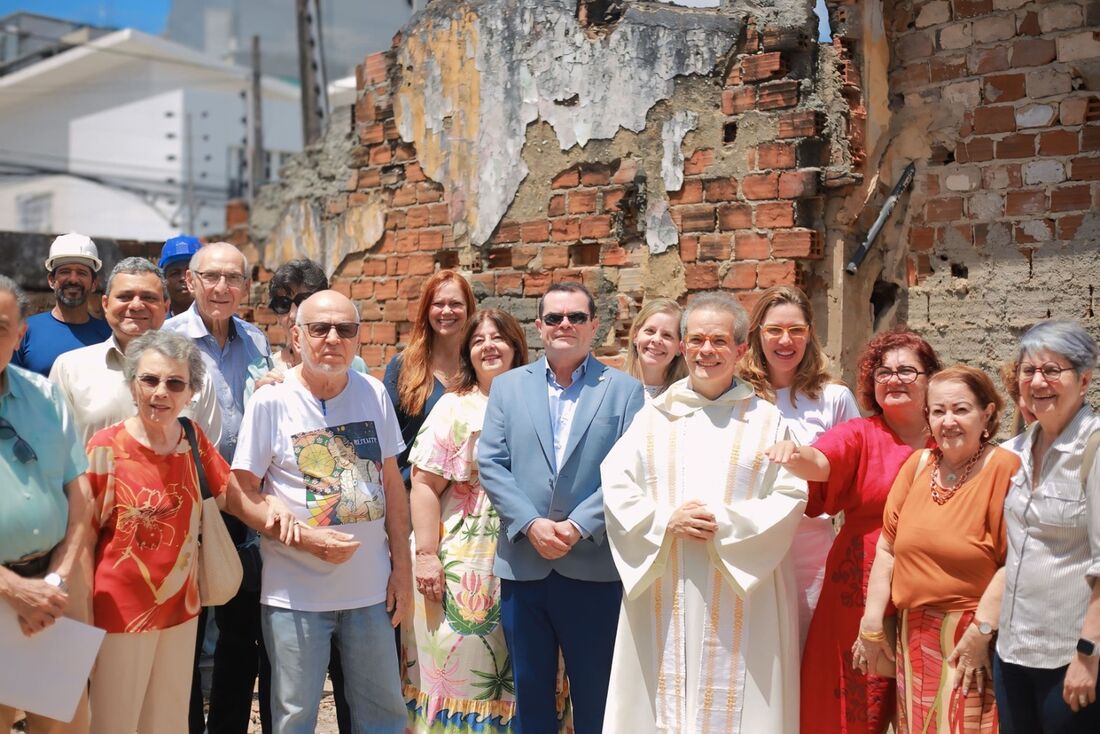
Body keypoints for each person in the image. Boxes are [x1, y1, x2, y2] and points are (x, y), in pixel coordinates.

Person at [600, 291, 807, 732]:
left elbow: (790, 495)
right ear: (682, 346)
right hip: (666, 578)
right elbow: (616, 483)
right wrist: (663, 521)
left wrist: (724, 525)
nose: (705, 351)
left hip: (741, 586)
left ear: (740, 349)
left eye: (718, 341)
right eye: (695, 340)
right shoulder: (654, 417)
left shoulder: (766, 420)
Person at [226, 290, 412, 734]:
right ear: (296, 335)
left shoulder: (373, 392)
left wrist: (401, 569)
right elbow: (238, 493)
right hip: (295, 596)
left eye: (345, 329)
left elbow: (391, 486)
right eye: (319, 328)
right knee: (294, 718)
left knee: (384, 714)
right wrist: (306, 540)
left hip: (370, 592)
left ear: (358, 338)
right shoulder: (271, 401)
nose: (333, 338)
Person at [479, 282, 645, 733]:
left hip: (592, 566)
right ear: (539, 327)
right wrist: (531, 523)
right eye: (554, 318)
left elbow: (630, 469)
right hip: (524, 565)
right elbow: (491, 462)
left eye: (575, 317)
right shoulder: (508, 388)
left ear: (594, 325)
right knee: (530, 699)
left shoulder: (626, 391)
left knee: (596, 699)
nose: (564, 325)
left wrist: (577, 525)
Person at [767, 326, 942, 734]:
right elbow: (822, 461)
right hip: (858, 588)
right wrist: (796, 455)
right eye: (883, 372)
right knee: (852, 705)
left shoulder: (948, 435)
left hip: (931, 590)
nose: (893, 378)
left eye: (906, 371)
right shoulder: (861, 433)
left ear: (930, 377)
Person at [855, 366, 1019, 733]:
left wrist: (981, 632)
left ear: (987, 414)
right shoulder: (917, 466)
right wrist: (871, 622)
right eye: (938, 411)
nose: (949, 421)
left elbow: (1016, 563)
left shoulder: (1004, 470)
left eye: (961, 410)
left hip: (972, 640)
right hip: (913, 638)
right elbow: (887, 549)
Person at [85, 330, 232, 734]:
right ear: (132, 384)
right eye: (149, 380)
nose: (160, 392)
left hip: (181, 606)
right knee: (115, 723)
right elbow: (81, 535)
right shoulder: (105, 447)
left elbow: (232, 492)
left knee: (167, 722)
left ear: (191, 392)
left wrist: (284, 516)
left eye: (174, 383)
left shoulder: (192, 439)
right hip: (118, 610)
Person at [163, 241, 272, 734]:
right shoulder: (167, 339)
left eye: (233, 278)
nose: (222, 288)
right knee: (184, 628)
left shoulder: (257, 341)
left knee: (240, 630)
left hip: (243, 500)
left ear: (246, 287)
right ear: (191, 282)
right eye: (212, 277)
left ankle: (227, 726)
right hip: (186, 500)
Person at [403, 309, 529, 731]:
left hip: (529, 558)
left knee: (522, 670)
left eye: (499, 338)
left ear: (516, 347)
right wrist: (425, 555)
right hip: (463, 562)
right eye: (479, 341)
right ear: (468, 353)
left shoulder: (537, 400)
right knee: (463, 669)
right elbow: (421, 484)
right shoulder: (454, 407)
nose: (489, 346)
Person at [739, 285, 861, 650]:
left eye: (796, 330)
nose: (785, 340)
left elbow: (854, 473)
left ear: (810, 335)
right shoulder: (736, 396)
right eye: (774, 330)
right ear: (757, 334)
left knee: (808, 654)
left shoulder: (833, 397)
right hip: (748, 545)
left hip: (811, 550)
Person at [994, 320, 1100, 733]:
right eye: (1029, 371)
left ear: (1085, 379)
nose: (1038, 381)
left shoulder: (1093, 450)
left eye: (1053, 371)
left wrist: (1087, 656)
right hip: (1013, 652)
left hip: (1069, 657)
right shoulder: (1014, 452)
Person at [0, 275, 94, 734]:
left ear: (20, 335)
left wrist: (54, 580)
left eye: (0, 327)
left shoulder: (46, 396)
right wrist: (14, 590)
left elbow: (81, 499)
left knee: (61, 724)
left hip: (54, 590)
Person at [49, 257, 222, 447]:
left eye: (149, 297)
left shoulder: (195, 373)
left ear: (165, 307)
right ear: (105, 304)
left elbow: (207, 458)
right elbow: (53, 450)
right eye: (125, 296)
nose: (136, 305)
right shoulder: (70, 368)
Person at [384, 270, 475, 484]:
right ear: (427, 310)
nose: (446, 311)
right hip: (411, 497)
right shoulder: (403, 367)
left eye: (455, 304)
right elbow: (384, 437)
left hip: (464, 504)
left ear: (468, 308)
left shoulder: (478, 368)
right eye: (438, 304)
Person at [245, 258, 368, 401]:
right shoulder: (261, 371)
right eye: (283, 305)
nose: (293, 314)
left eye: (303, 301)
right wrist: (257, 399)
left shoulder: (353, 365)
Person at [13, 233, 111, 376]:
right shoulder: (24, 331)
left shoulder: (109, 335)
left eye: (82, 273)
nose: (73, 279)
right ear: (51, 280)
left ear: (94, 283)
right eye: (65, 272)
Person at [622, 297, 687, 400]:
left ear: (680, 347)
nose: (656, 340)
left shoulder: (687, 397)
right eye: (650, 331)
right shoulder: (612, 389)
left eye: (667, 335)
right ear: (635, 335)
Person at [159, 235, 202, 317]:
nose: (183, 278)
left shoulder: (225, 323)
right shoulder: (155, 324)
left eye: (190, 272)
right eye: (175, 273)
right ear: (164, 280)